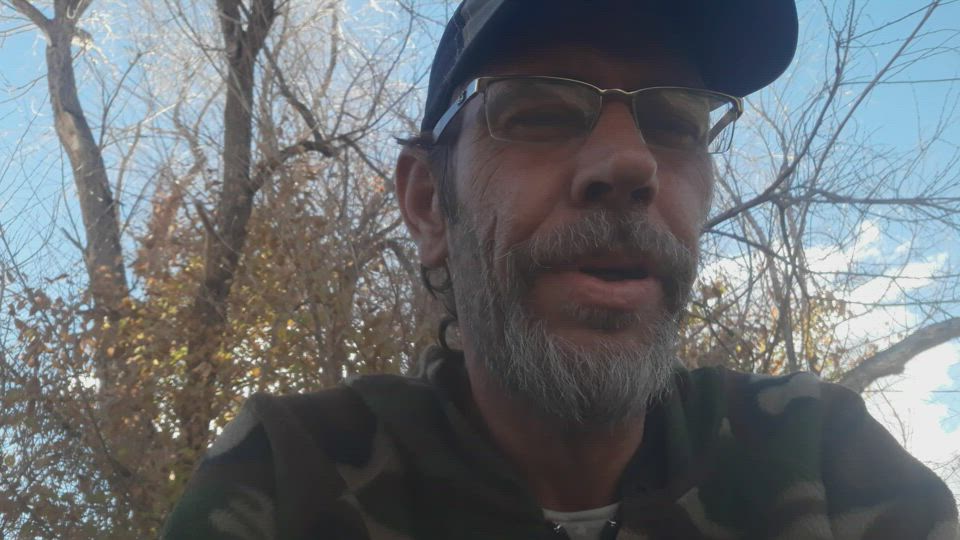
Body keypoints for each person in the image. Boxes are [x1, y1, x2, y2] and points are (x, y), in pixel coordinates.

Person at [163, 1, 959, 538]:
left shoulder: (821, 458)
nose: (631, 163)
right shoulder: (294, 477)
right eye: (539, 112)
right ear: (430, 203)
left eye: (675, 122)